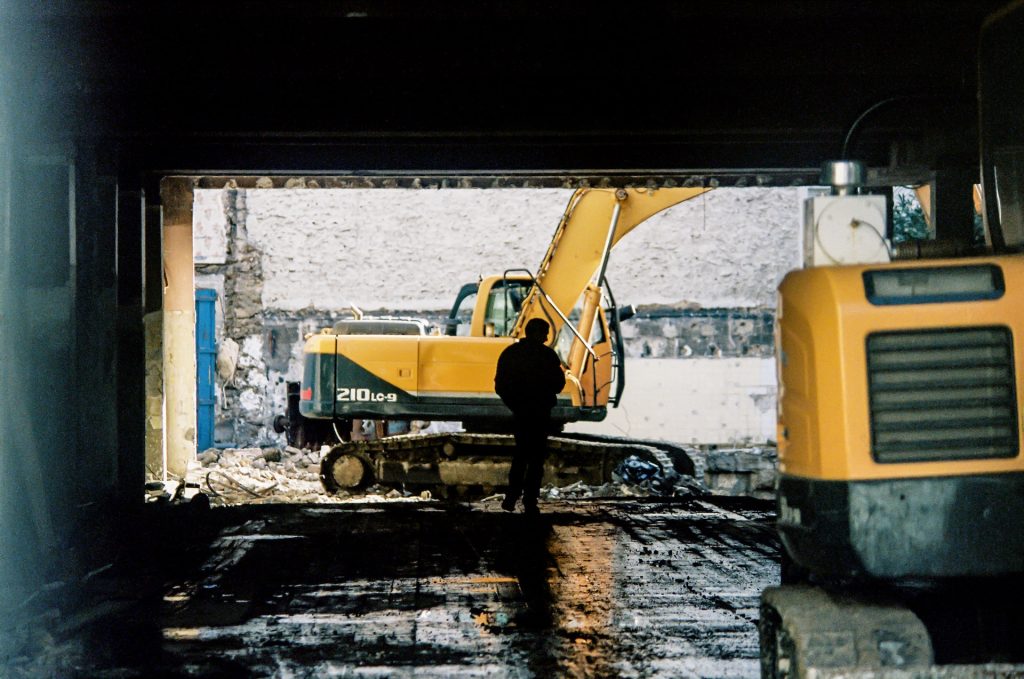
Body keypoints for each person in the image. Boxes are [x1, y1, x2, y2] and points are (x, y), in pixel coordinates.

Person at [494, 317, 566, 514]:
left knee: (521, 455)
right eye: (545, 333)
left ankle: (511, 497)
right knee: (536, 459)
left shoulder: (510, 354)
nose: (547, 337)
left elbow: (500, 385)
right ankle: (530, 501)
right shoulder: (548, 356)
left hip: (521, 413)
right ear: (540, 334)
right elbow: (559, 385)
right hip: (541, 413)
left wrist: (516, 405)